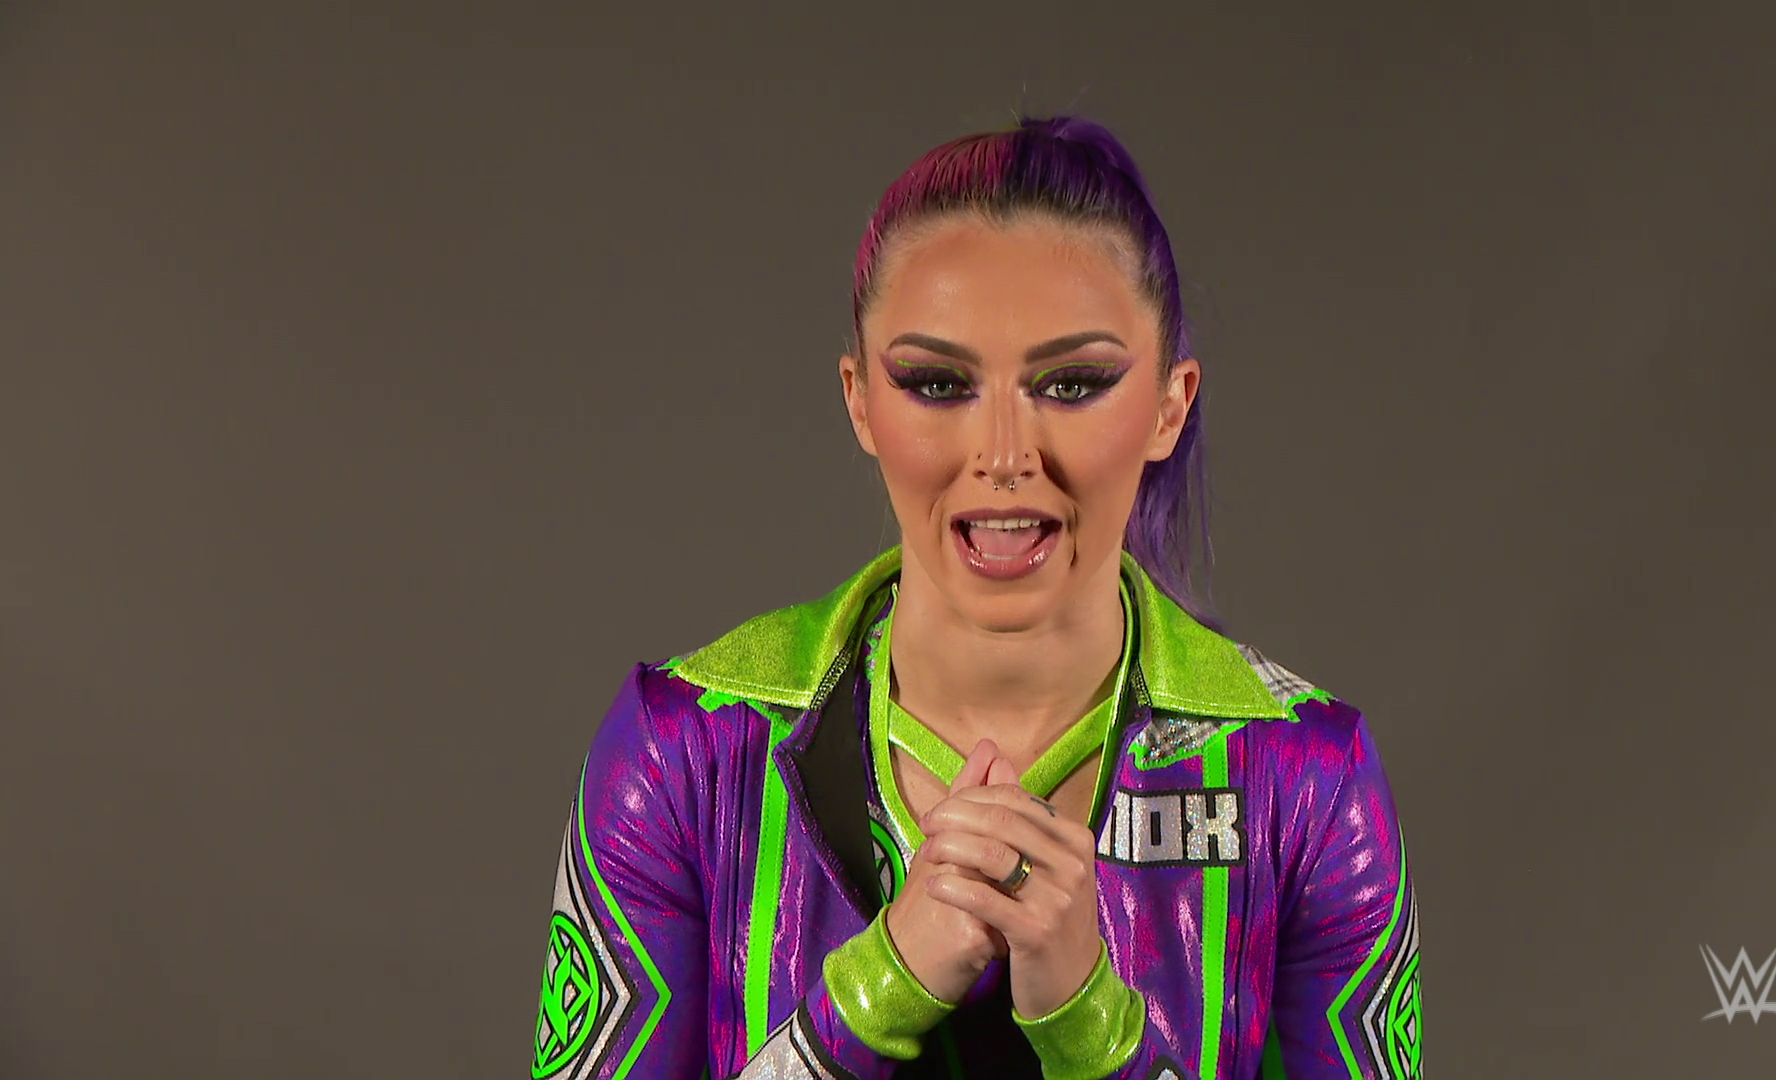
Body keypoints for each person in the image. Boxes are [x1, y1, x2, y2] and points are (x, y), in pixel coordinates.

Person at [527, 116, 1422, 1080]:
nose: (1003, 454)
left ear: (1170, 405)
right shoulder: (684, 748)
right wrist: (878, 990)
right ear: (860, 399)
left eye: (1071, 384)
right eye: (937, 383)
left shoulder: (1306, 777)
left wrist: (1091, 1026)